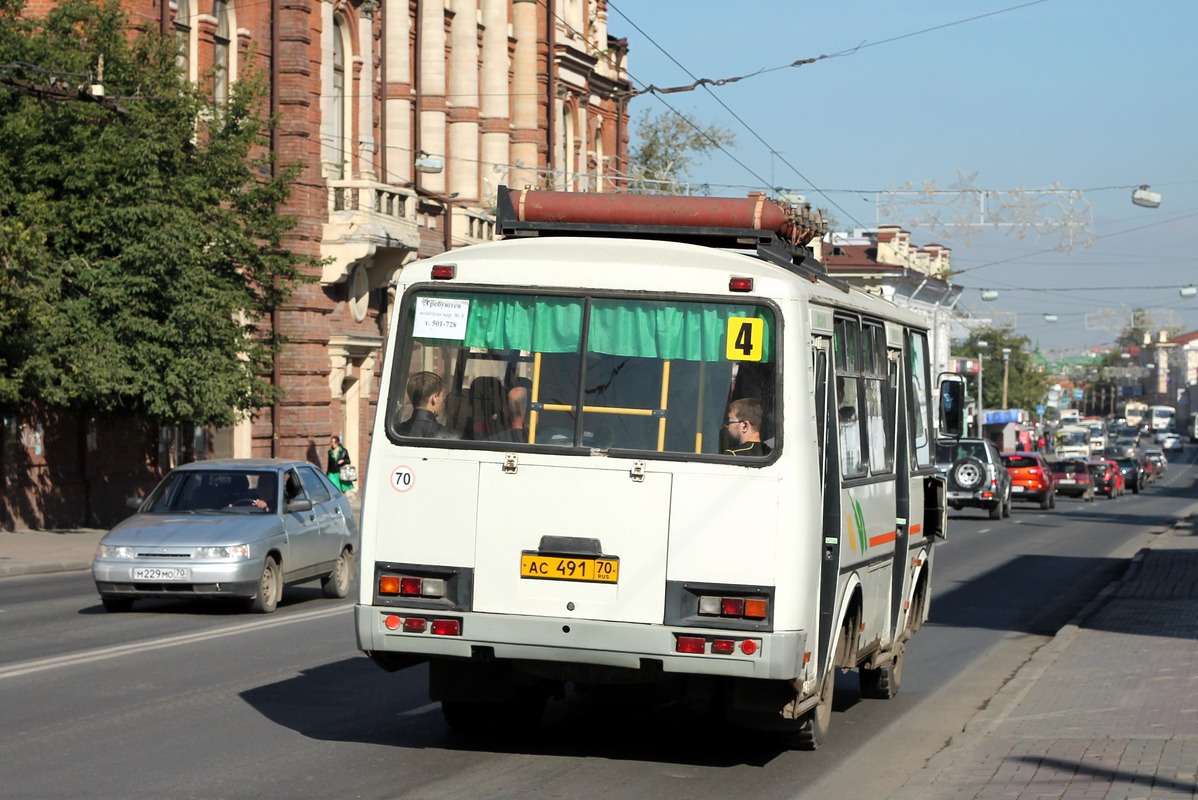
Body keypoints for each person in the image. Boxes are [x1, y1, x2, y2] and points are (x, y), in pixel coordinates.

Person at [397, 371, 453, 438]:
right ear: (434, 398)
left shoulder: (397, 431)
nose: (443, 400)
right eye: (442, 396)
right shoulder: (446, 435)